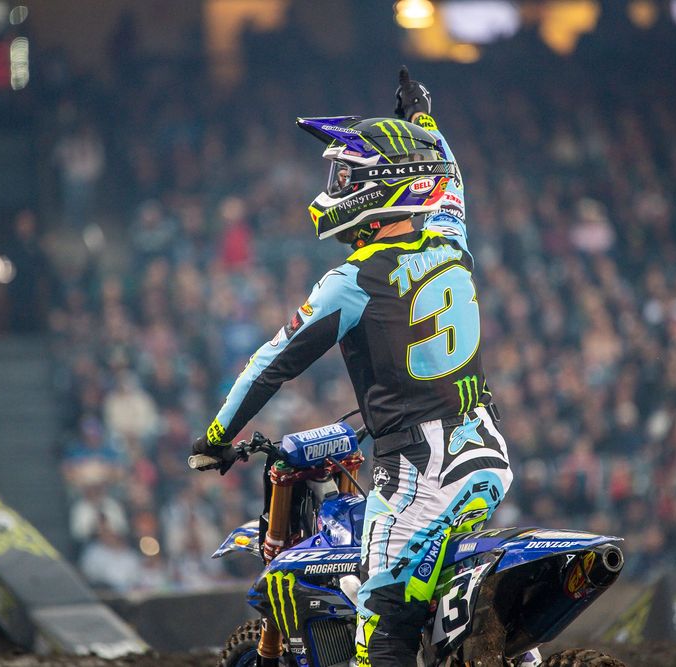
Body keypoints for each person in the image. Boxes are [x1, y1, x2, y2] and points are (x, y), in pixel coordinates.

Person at [191, 68, 512, 666]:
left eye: (344, 176)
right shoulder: (451, 238)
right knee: (427, 613)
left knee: (381, 621)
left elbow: (270, 364)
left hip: (419, 471)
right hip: (486, 451)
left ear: (378, 190)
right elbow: (449, 178)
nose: (335, 186)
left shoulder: (353, 281)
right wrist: (424, 121)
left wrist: (215, 437)